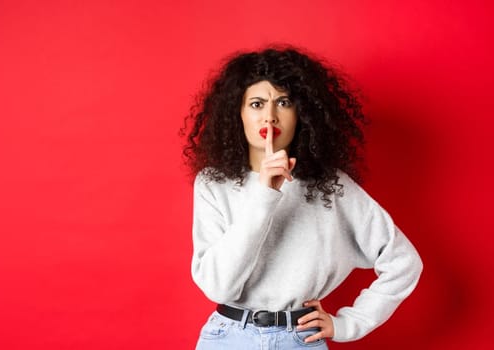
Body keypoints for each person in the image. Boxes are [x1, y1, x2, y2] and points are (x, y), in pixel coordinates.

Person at [179, 45, 423, 349]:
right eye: (256, 104)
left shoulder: (331, 186)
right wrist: (265, 193)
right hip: (227, 337)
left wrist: (348, 323)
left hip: (299, 338)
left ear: (302, 113)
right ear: (237, 113)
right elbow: (217, 285)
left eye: (283, 102)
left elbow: (403, 262)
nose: (269, 117)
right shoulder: (214, 185)